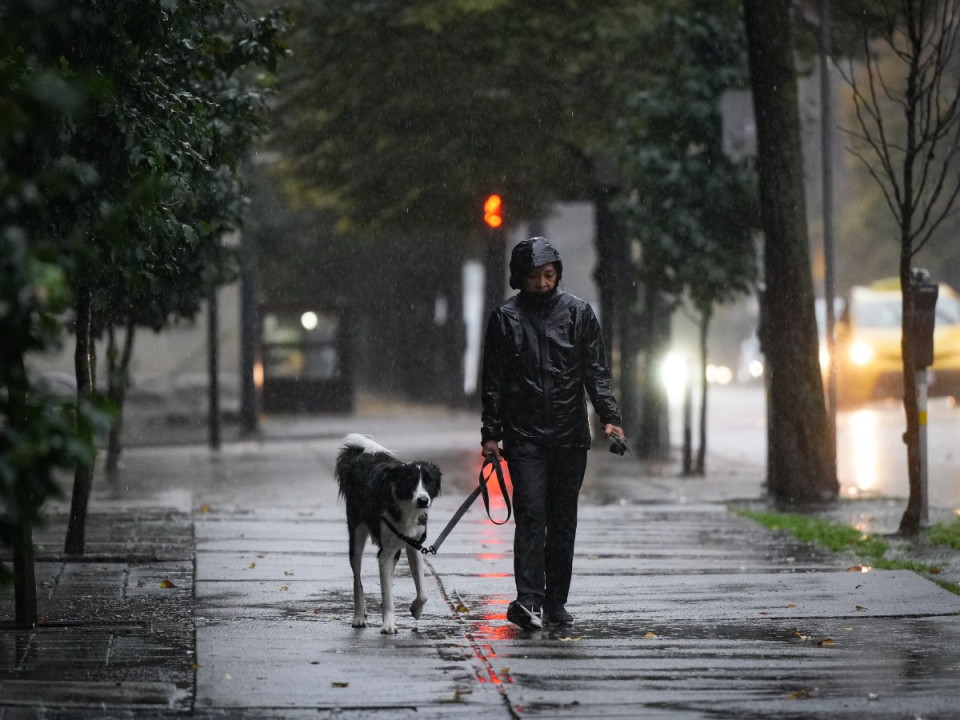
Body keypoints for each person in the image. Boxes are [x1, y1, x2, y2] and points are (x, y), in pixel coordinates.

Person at [480, 236, 624, 630]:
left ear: (558, 272)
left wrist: (609, 417)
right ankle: (528, 600)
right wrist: (490, 434)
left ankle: (555, 601)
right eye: (534, 277)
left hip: (569, 435)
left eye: (548, 275)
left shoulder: (579, 314)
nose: (542, 283)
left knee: (562, 521)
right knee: (530, 515)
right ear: (519, 278)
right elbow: (493, 381)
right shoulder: (505, 319)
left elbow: (595, 371)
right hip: (524, 435)